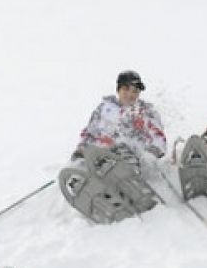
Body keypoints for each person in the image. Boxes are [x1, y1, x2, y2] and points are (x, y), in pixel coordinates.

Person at [59, 70, 167, 223]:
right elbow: (89, 132)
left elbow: (158, 136)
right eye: (126, 89)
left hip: (130, 156)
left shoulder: (145, 111)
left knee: (122, 154)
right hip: (101, 156)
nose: (131, 94)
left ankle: (129, 190)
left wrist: (153, 152)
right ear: (118, 90)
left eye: (135, 91)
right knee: (87, 162)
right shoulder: (104, 108)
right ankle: (93, 193)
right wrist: (80, 150)